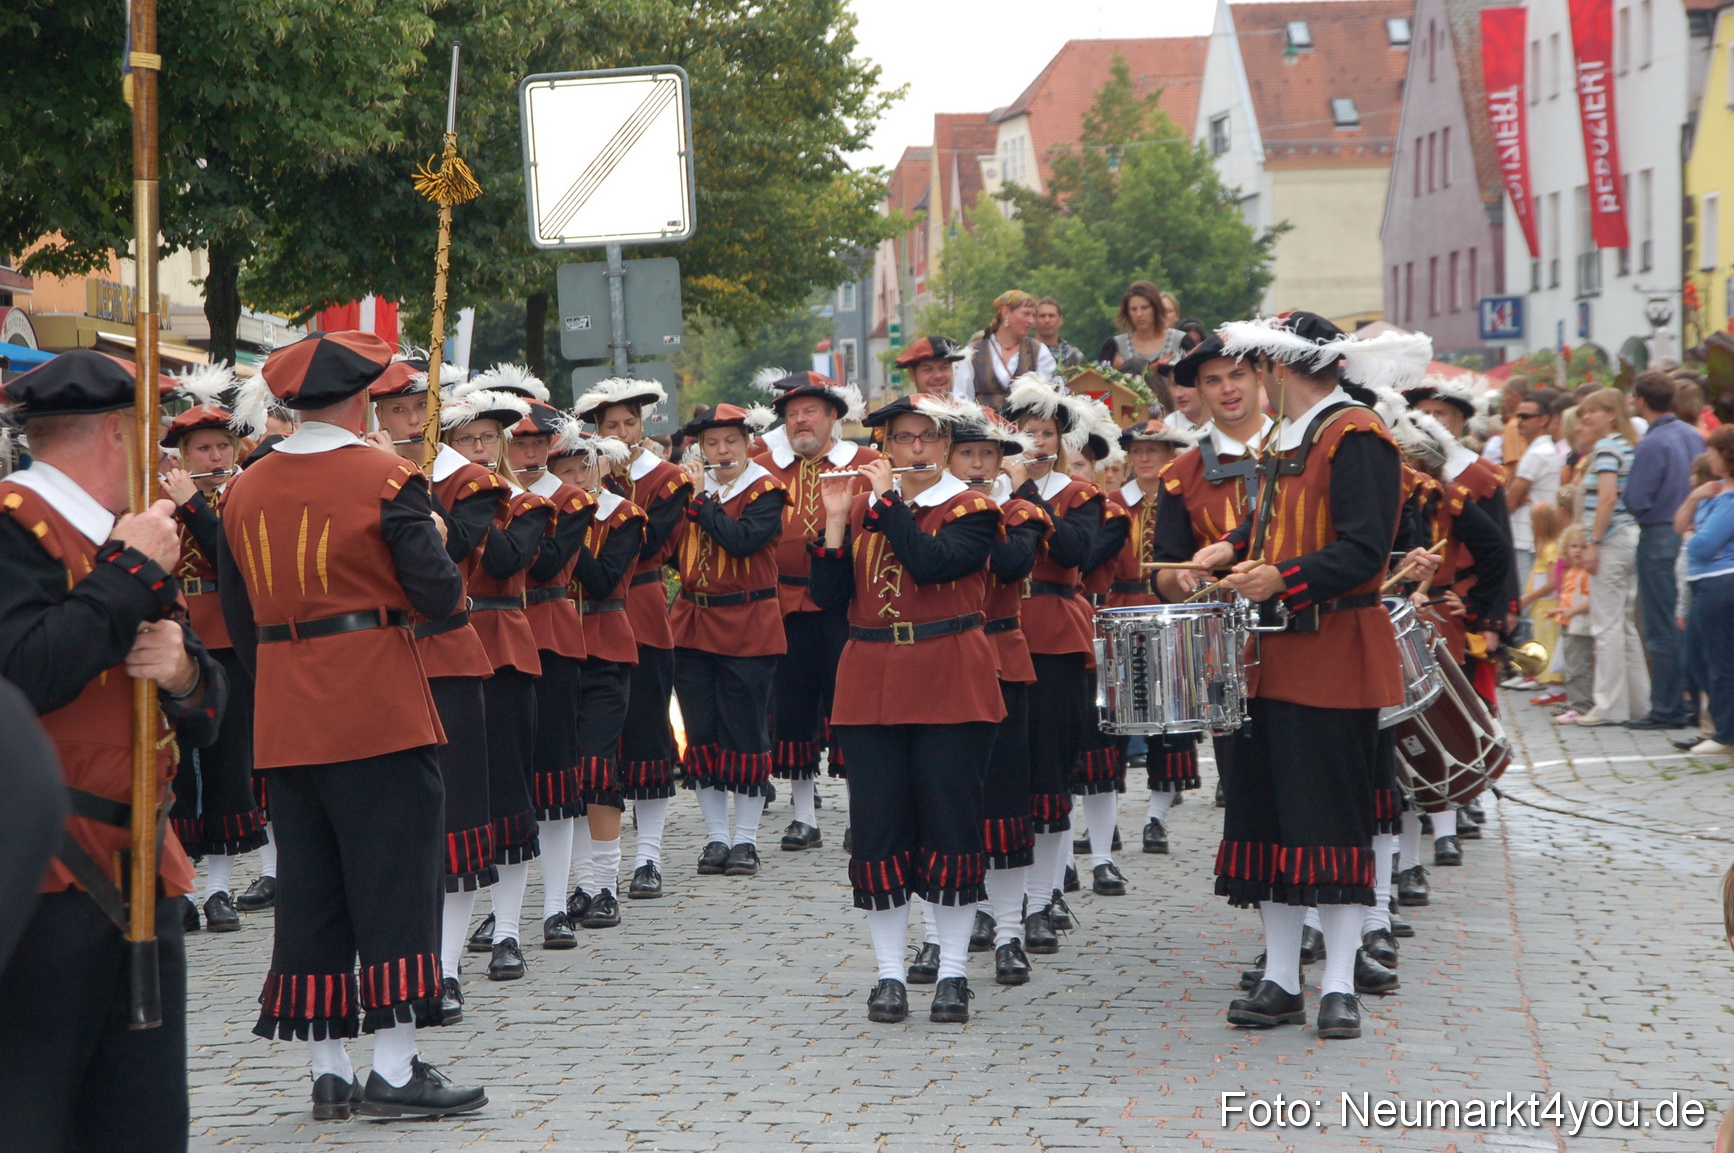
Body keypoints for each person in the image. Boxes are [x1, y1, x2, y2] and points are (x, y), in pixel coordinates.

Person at [219, 331, 485, 1118]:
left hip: (287, 708)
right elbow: (441, 599)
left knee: (312, 885)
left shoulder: (244, 488)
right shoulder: (387, 475)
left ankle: (327, 1067)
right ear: (362, 395)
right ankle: (396, 1067)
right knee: (397, 881)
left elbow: (239, 623)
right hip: (376, 700)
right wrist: (436, 537)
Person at [0, 349, 230, 1149]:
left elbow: (205, 713)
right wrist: (128, 573)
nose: (160, 457)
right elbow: (21, 675)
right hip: (47, 876)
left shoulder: (129, 537)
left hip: (142, 860)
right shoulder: (15, 525)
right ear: (114, 432)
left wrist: (185, 675)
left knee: (144, 1121)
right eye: (150, 433)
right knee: (37, 1115)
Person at [1190, 312, 1414, 1042]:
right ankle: (1282, 978)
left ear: (1276, 368)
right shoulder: (1284, 439)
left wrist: (1278, 577)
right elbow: (1269, 528)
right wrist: (1228, 553)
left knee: (1331, 822)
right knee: (1267, 820)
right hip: (1265, 660)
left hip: (1332, 654)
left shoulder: (1356, 435)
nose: (1248, 383)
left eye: (1252, 369)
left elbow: (1363, 551)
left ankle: (1340, 984)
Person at [809, 394, 1003, 1024]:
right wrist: (837, 523)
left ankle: (951, 973)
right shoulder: (868, 509)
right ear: (886, 447)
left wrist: (887, 504)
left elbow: (931, 564)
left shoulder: (974, 508)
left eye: (926, 438)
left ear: (945, 445)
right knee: (878, 829)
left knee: (950, 824)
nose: (915, 448)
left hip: (950, 675)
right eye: (902, 439)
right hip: (870, 679)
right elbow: (830, 597)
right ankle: (889, 974)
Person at [366, 360, 501, 1022]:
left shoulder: (470, 480)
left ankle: (444, 968)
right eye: (397, 409)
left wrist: (413, 490)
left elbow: (462, 549)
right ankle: (400, 961)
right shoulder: (360, 474)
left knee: (457, 815)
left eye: (421, 405)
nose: (412, 418)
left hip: (446, 648)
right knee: (394, 819)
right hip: (379, 657)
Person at [437, 387, 553, 982]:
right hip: (443, 647)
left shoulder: (525, 502)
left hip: (502, 647)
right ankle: (445, 946)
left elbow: (508, 560)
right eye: (466, 439)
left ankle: (508, 930)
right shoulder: (430, 497)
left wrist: (471, 515)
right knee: (457, 803)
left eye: (488, 438)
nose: (479, 448)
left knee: (508, 795)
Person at [750, 370, 877, 850]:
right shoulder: (762, 465)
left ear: (833, 418)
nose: (800, 421)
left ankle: (859, 812)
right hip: (784, 601)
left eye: (810, 413)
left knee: (849, 705)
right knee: (793, 708)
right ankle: (804, 816)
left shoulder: (865, 462)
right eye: (791, 414)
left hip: (846, 602)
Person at [158, 382, 268, 933]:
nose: (216, 457)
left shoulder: (242, 495)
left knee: (229, 764)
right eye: (204, 449)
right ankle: (181, 888)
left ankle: (220, 889)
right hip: (175, 638)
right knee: (176, 768)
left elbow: (233, 561)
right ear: (183, 455)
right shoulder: (159, 495)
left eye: (223, 446)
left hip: (228, 638)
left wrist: (194, 504)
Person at [498, 379, 604, 939]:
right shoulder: (480, 491)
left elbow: (544, 565)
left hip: (551, 631)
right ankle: (500, 907)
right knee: (504, 780)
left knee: (557, 779)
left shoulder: (572, 499)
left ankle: (556, 904)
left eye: (540, 441)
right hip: (495, 636)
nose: (530, 451)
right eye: (517, 441)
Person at [1002, 377, 1103, 951]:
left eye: (1046, 433)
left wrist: (1027, 497)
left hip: (1055, 637)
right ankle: (998, 903)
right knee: (1001, 777)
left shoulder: (1079, 493)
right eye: (1025, 432)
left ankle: (1041, 900)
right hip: (995, 636)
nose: (1035, 443)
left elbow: (1071, 552)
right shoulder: (983, 488)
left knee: (1050, 775)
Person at [948, 406, 1049, 984]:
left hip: (1001, 662)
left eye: (989, 454)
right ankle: (950, 930)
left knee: (1007, 804)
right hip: (940, 666)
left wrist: (981, 516)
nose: (979, 464)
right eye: (968, 454)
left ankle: (1010, 931)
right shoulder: (927, 514)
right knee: (949, 804)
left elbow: (1012, 564)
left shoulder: (1022, 511)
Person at [576, 378, 690, 880]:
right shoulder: (582, 479)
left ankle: (649, 855)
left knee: (648, 732)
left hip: (640, 603)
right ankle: (594, 863)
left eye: (630, 423)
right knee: (596, 742)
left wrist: (609, 490)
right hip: (590, 613)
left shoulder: (667, 480)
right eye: (611, 426)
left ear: (644, 425)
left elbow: (648, 547)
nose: (623, 433)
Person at [672, 403, 789, 877]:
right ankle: (717, 836)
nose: (721, 452)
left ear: (747, 444)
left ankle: (746, 840)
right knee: (701, 733)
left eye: (731, 443)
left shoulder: (765, 490)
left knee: (744, 731)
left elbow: (741, 541)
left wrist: (702, 503)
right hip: (692, 621)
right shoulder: (690, 491)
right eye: (712, 444)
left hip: (747, 621)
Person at [548, 430, 652, 899]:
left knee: (596, 766)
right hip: (555, 648)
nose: (575, 480)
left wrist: (568, 531)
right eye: (563, 472)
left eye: (582, 470)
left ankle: (606, 884)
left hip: (604, 646)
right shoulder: (536, 513)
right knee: (562, 770)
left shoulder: (624, 515)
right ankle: (581, 884)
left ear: (600, 468)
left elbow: (607, 579)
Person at [1105, 416, 1201, 857]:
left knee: (1170, 721)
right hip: (1118, 612)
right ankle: (1103, 821)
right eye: (1137, 450)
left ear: (1170, 457)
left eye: (1154, 450)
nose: (1144, 458)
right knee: (1114, 719)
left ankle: (1156, 819)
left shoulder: (1184, 502)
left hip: (1171, 616)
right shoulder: (1109, 503)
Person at [1622, 372, 1700, 730]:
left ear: (1640, 400)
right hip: (1692, 533)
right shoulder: (1691, 434)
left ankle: (1667, 707)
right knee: (1687, 621)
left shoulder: (1653, 443)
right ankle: (1695, 705)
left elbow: (1637, 497)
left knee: (1661, 625)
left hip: (1659, 533)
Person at [1572, 388, 1649, 726]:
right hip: (1629, 536)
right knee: (1625, 625)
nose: (1586, 417)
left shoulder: (1606, 447)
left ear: (1612, 414)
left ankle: (1608, 706)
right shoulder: (1626, 445)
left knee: (1607, 625)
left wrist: (1594, 541)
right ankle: (1637, 703)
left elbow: (1606, 499)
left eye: (1595, 411)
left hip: (1612, 538)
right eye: (1585, 411)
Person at [1677, 426, 1734, 755]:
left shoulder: (1728, 501)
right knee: (1697, 658)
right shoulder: (1715, 492)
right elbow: (1680, 525)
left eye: (1714, 452)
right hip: (1705, 582)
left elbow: (1701, 544)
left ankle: (1726, 734)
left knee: (1719, 659)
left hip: (1721, 581)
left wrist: (1691, 536)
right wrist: (1694, 498)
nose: (1708, 457)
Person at [1502, 387, 1562, 649]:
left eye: (1526, 416)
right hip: (1534, 535)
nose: (1520, 422)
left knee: (1527, 602)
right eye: (1518, 416)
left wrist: (1513, 495)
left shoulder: (1537, 454)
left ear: (1544, 420)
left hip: (1528, 537)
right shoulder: (1543, 451)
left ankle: (1531, 665)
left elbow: (1508, 503)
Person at [956, 291, 1058, 407]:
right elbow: (961, 398)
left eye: (1033, 316)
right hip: (984, 424)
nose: (1031, 321)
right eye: (1026, 314)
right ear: (1005, 313)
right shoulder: (975, 352)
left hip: (1025, 424)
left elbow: (1050, 397)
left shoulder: (1038, 351)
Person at [1547, 525, 1597, 723]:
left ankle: (1581, 706)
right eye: (1573, 546)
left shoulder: (1585, 573)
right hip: (1569, 623)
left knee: (1578, 667)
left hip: (1579, 625)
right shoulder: (1572, 571)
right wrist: (1560, 611)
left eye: (1583, 546)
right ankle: (1575, 701)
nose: (1577, 550)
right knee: (1572, 666)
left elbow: (1592, 600)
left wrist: (1570, 611)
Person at [1097, 281, 1185, 388]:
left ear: (1155, 308)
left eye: (1145, 308)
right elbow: (1101, 387)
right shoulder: (1115, 346)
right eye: (1134, 309)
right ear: (1128, 313)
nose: (1139, 314)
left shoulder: (1181, 341)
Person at [894, 336, 969, 399]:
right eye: (928, 369)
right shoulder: (905, 416)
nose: (938, 375)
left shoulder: (970, 414)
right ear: (912, 374)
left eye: (944, 367)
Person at [1034, 297, 1085, 369]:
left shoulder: (1073, 355)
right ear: (1034, 320)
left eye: (1051, 316)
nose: (1047, 320)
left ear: (1060, 320)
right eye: (1042, 316)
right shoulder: (1024, 353)